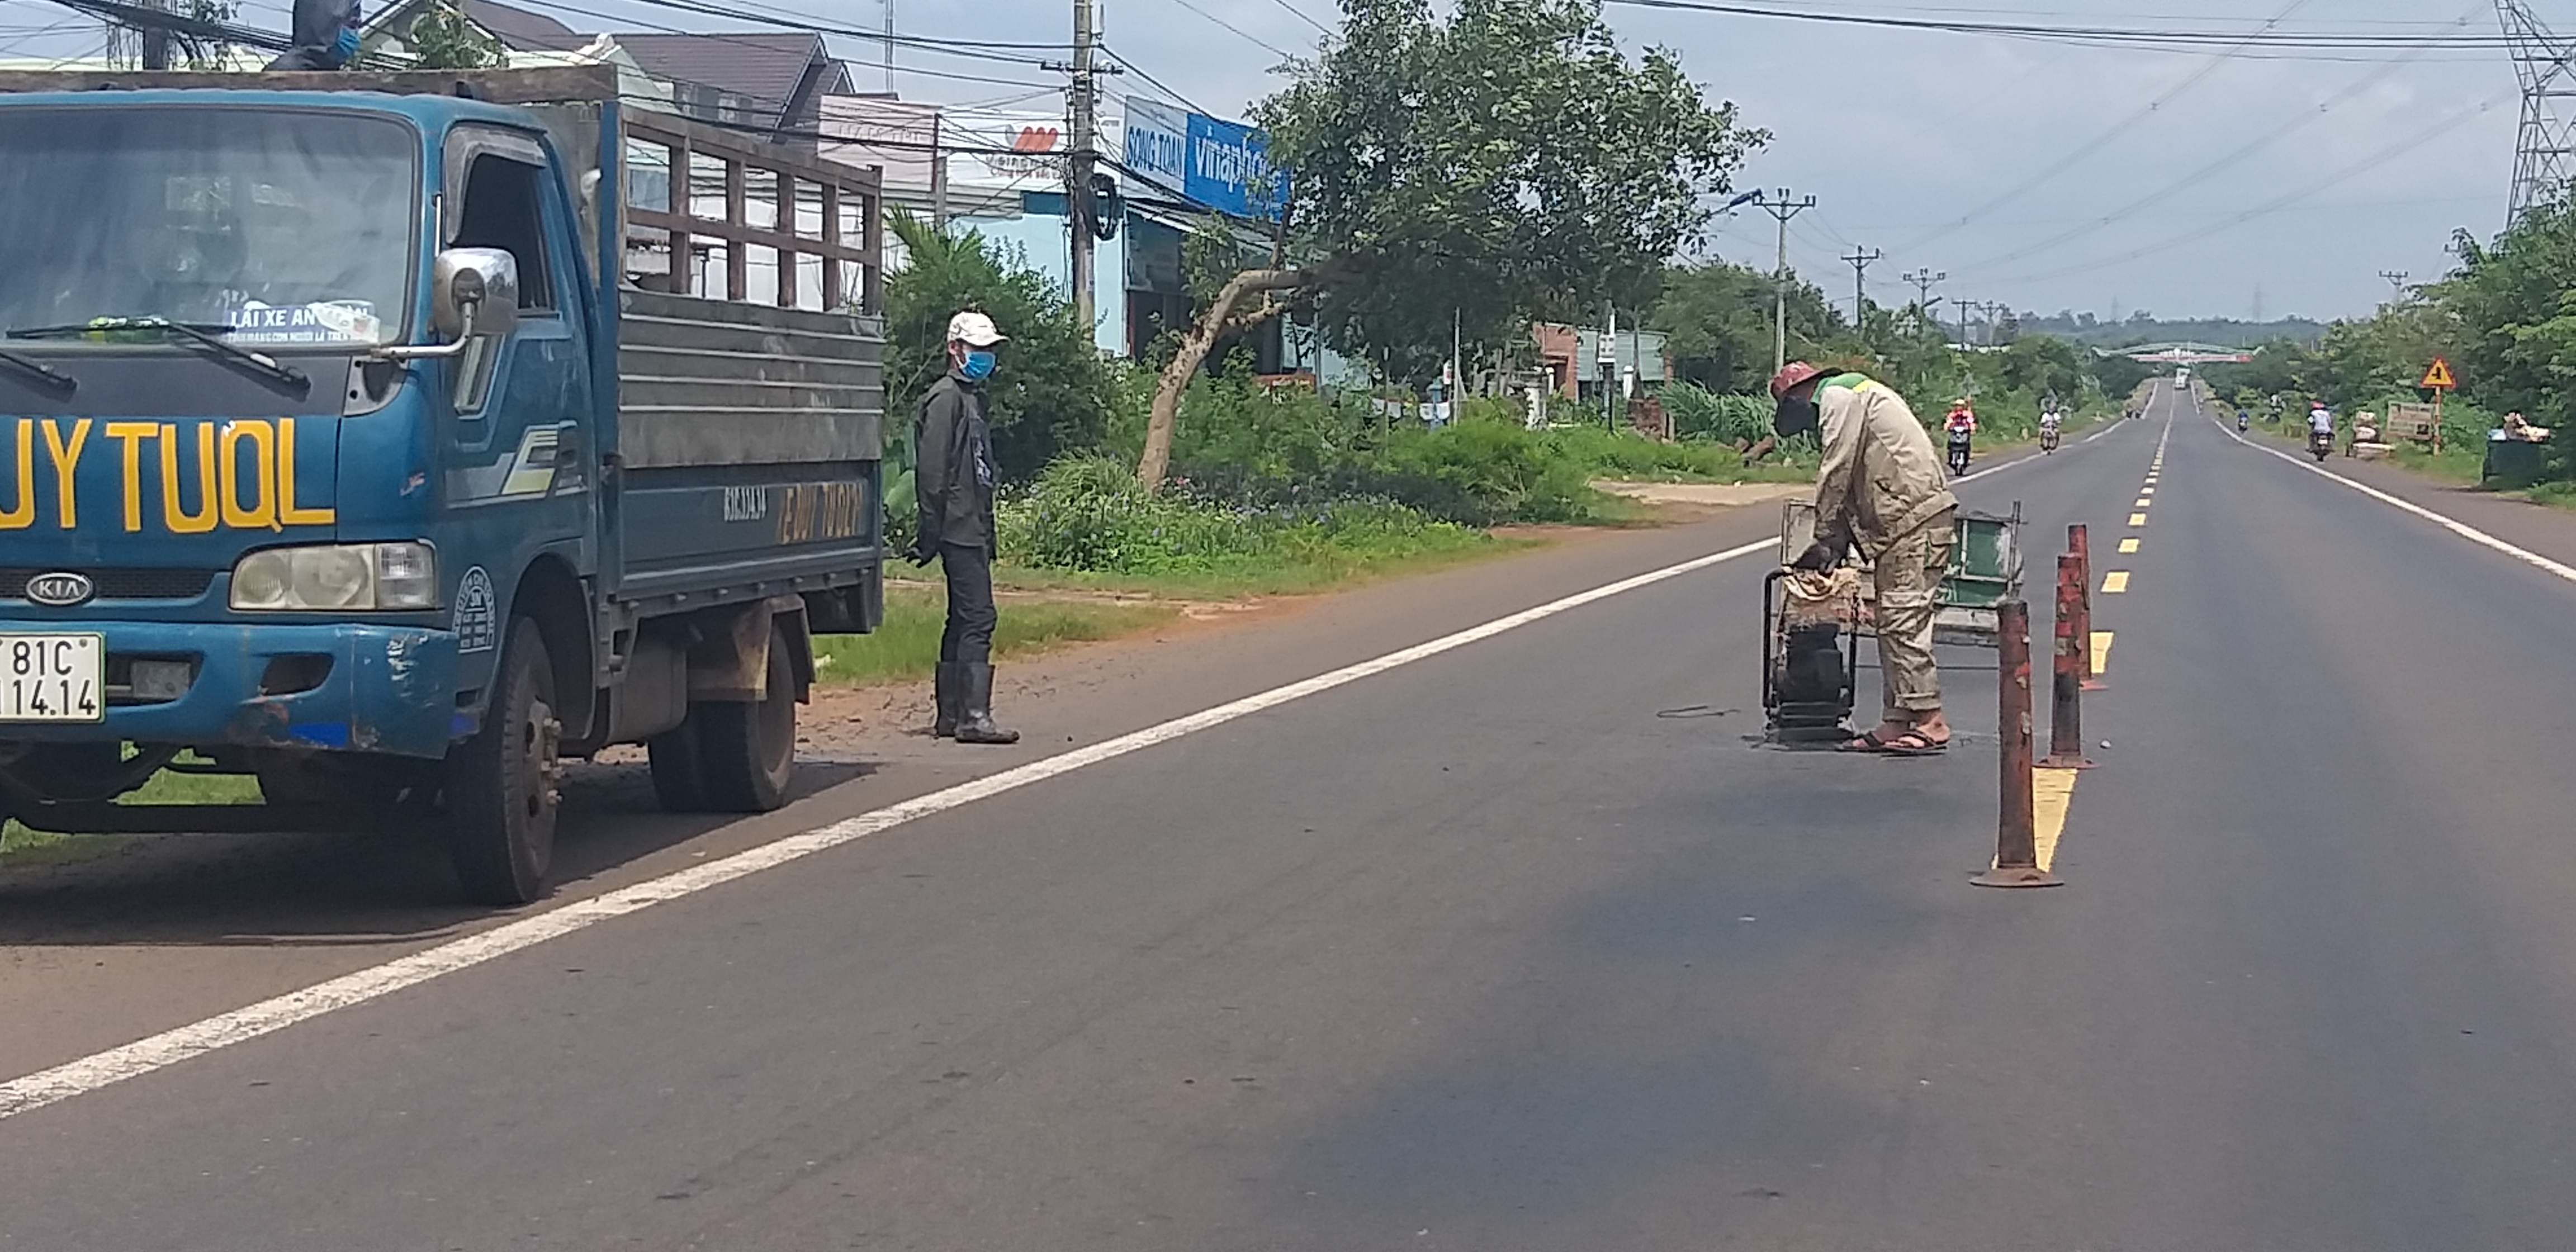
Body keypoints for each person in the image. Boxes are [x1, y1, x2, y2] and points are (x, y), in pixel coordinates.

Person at [1772, 362, 1961, 755]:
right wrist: (1836, 543)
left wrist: (1824, 537)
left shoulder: (1840, 397)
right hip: (1899, 522)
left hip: (1914, 516)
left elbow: (1837, 470)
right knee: (1890, 620)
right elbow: (1852, 480)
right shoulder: (1857, 395)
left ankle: (1931, 719)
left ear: (1797, 396)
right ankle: (1898, 719)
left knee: (1904, 617)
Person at [910, 311, 1019, 744]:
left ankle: (952, 715)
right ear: (955, 349)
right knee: (979, 617)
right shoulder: (946, 399)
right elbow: (933, 472)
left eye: (990, 351)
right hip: (957, 526)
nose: (986, 358)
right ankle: (972, 716)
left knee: (963, 619)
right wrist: (930, 530)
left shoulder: (971, 398)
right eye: (978, 350)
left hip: (971, 523)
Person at [1942, 398, 1976, 476]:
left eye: (1961, 406)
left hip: (1964, 432)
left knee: (1967, 444)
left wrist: (1972, 428)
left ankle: (1969, 457)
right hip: (1955, 433)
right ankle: (1950, 456)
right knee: (1950, 444)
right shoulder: (1952, 414)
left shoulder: (1967, 414)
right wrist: (1947, 426)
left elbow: (1971, 421)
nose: (1959, 407)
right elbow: (1949, 421)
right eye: (1957, 406)